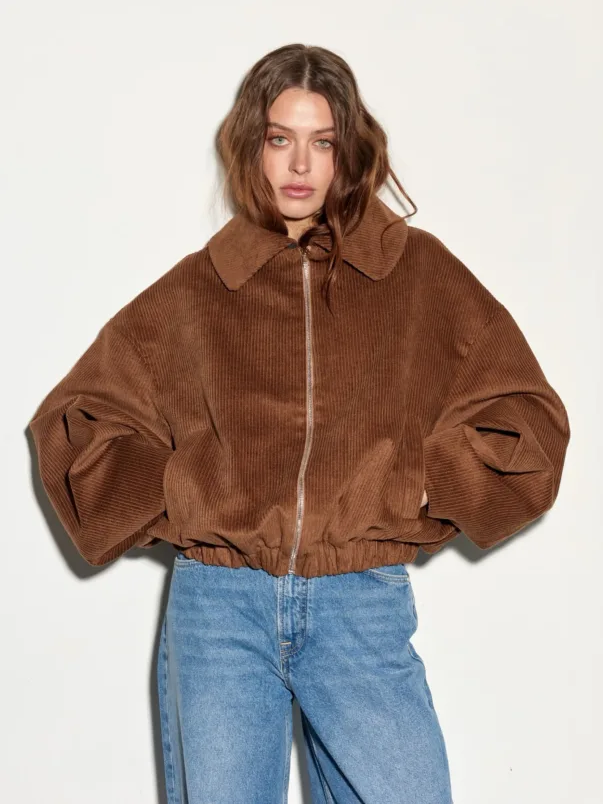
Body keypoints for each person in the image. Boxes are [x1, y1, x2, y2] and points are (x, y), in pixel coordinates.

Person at [28, 43, 571, 804]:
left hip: (360, 602)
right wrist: (188, 496)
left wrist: (417, 484)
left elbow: (526, 419)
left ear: (349, 151)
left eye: (322, 142)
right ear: (252, 146)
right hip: (220, 609)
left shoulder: (416, 273)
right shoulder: (202, 286)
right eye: (280, 138)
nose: (300, 164)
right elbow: (77, 422)